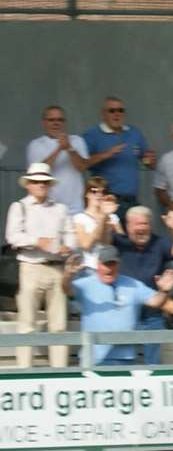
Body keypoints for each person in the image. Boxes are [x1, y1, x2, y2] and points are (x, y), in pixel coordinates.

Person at [63, 246, 173, 451]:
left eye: (113, 263)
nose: (109, 268)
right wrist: (67, 274)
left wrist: (164, 291)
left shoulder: (131, 284)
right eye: (106, 264)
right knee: (92, 415)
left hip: (125, 360)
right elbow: (66, 289)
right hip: (94, 361)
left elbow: (156, 301)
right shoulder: (86, 284)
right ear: (98, 264)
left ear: (118, 264)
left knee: (125, 413)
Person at [5, 162, 75, 367]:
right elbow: (13, 236)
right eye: (36, 182)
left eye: (44, 182)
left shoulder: (60, 208)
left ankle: (60, 372)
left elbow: (71, 236)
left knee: (59, 325)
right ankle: (24, 372)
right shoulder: (19, 207)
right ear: (28, 184)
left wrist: (67, 247)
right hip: (30, 266)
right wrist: (38, 241)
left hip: (56, 267)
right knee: (27, 323)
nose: (40, 185)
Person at [113, 205, 173, 365]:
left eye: (145, 224)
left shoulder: (160, 243)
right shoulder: (119, 242)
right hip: (124, 314)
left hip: (152, 315)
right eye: (137, 224)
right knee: (121, 365)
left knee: (154, 366)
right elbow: (99, 244)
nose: (141, 228)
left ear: (150, 225)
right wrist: (104, 215)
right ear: (127, 226)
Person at [80, 96, 155, 206]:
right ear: (103, 114)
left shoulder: (134, 133)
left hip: (131, 199)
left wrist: (150, 160)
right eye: (112, 111)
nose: (117, 114)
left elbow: (148, 163)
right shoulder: (92, 135)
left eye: (120, 110)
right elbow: (82, 165)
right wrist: (106, 154)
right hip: (106, 199)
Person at [26, 105, 90, 213]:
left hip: (74, 208)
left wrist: (69, 148)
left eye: (60, 120)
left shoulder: (77, 141)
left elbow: (82, 167)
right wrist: (59, 149)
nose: (56, 123)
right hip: (46, 208)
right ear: (44, 122)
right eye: (51, 120)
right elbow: (38, 173)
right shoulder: (35, 145)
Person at [72, 176, 119, 268]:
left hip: (109, 267)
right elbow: (86, 245)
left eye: (103, 192)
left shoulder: (113, 217)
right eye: (94, 191)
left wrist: (106, 216)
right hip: (88, 267)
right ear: (87, 194)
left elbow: (112, 242)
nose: (99, 195)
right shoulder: (79, 218)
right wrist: (103, 218)